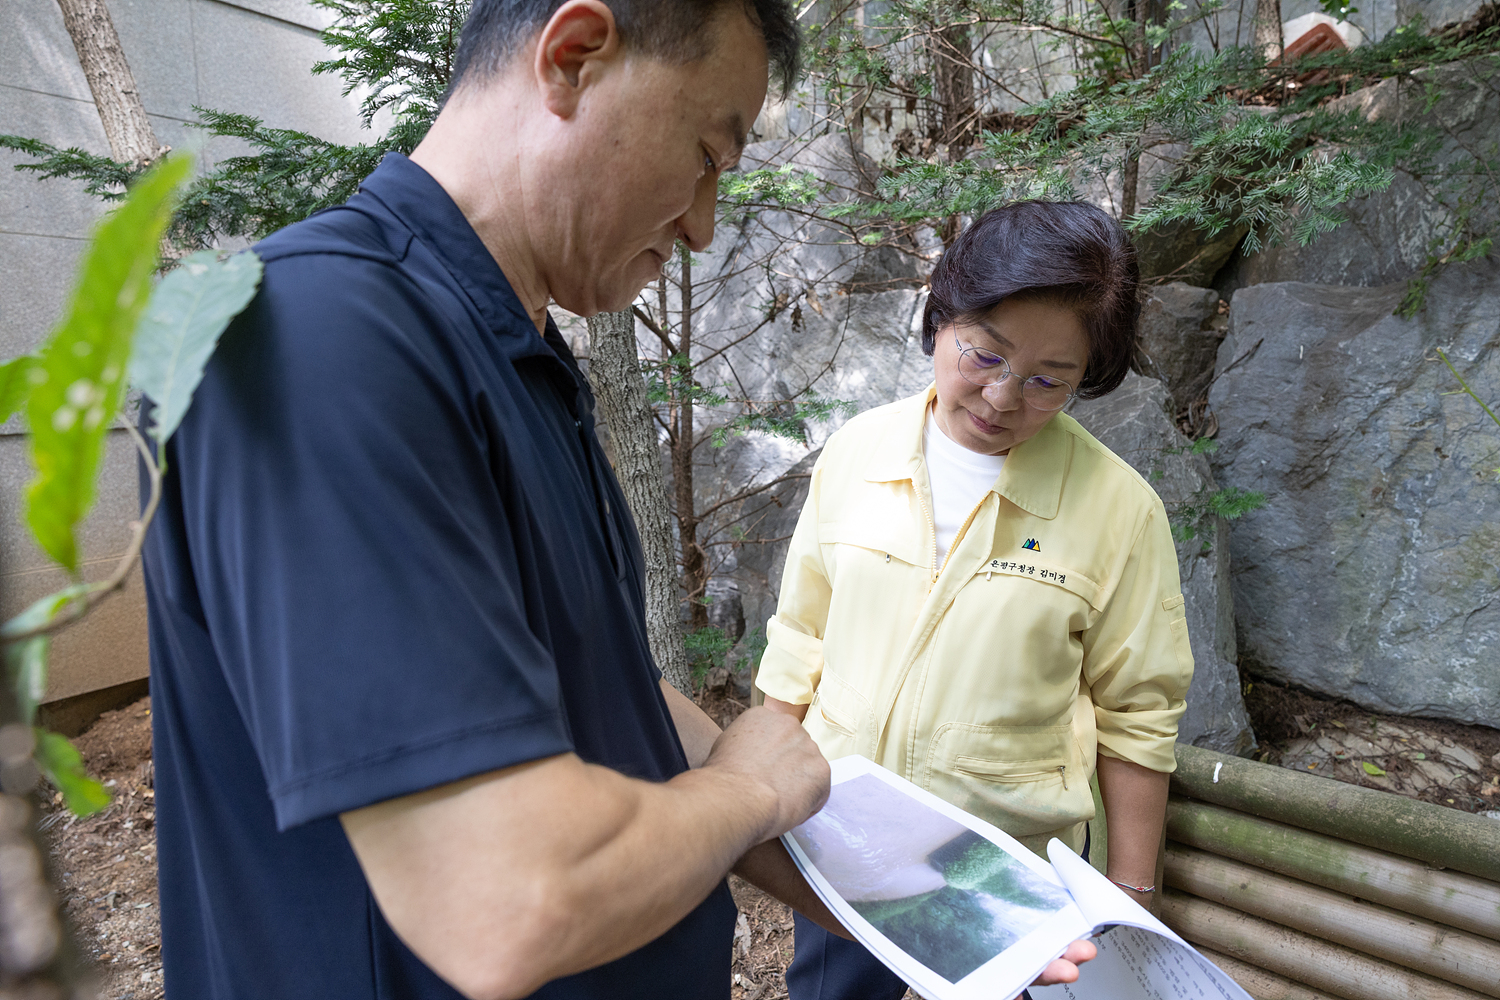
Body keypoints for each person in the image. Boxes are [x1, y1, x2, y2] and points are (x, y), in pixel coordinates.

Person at [139, 2, 1094, 998]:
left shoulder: (512, 353)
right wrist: (747, 789)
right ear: (573, 57)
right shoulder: (322, 339)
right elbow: (504, 900)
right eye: (707, 155)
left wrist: (934, 908)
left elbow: (601, 694)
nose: (703, 225)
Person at [756, 201, 1194, 1000]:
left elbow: (1139, 710)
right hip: (846, 836)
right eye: (984, 355)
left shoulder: (1119, 510)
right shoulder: (856, 454)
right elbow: (800, 636)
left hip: (1006, 867)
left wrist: (1131, 895)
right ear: (941, 318)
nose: (1000, 397)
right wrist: (760, 795)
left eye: (1047, 381)